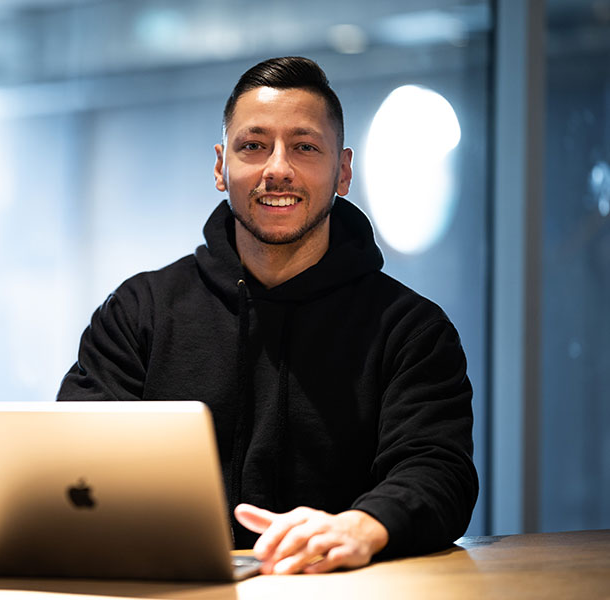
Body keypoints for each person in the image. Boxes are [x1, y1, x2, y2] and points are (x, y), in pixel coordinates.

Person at [57, 56, 477, 574]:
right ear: (220, 166)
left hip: (338, 584)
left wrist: (364, 525)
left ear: (343, 171)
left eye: (304, 147)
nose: (277, 168)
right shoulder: (138, 313)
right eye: (254, 146)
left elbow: (439, 471)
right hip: (168, 585)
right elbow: (71, 464)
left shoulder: (411, 330)